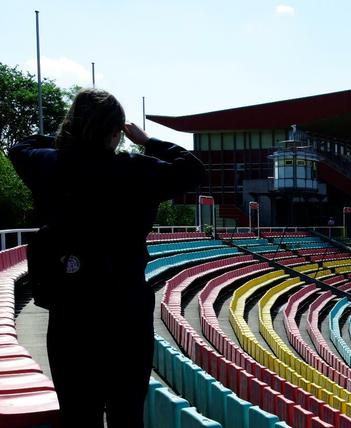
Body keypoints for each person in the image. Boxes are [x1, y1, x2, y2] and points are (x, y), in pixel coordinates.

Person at [9, 88, 206, 427]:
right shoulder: (138, 170)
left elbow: (19, 148)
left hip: (70, 310)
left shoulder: (51, 165)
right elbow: (193, 170)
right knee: (126, 415)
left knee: (78, 415)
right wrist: (148, 141)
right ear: (116, 134)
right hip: (125, 310)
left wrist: (70, 135)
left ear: (73, 126)